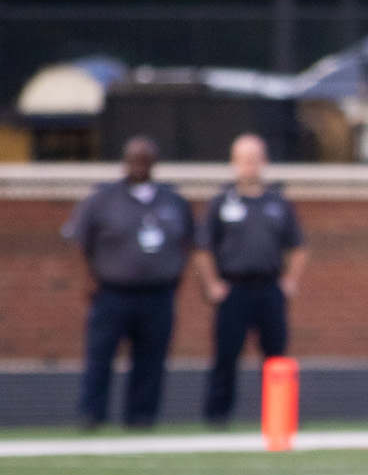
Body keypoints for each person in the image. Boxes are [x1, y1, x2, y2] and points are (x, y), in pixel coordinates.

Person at [62, 136, 195, 430]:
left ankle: (142, 416)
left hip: (158, 293)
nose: (139, 165)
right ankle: (92, 414)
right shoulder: (101, 199)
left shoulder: (173, 200)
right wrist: (87, 280)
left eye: (145, 160)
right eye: (134, 159)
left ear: (154, 163)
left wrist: (175, 275)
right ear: (125, 161)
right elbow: (79, 242)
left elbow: (188, 243)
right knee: (100, 354)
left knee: (151, 358)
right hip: (112, 292)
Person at [193, 134, 306, 427]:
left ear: (264, 161)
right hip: (234, 287)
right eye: (244, 160)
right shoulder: (220, 201)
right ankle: (217, 416)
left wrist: (290, 281)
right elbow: (203, 248)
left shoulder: (278, 202)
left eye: (254, 159)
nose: (249, 165)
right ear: (234, 163)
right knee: (226, 354)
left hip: (269, 287)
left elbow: (297, 247)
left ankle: (280, 416)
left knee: (276, 355)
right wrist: (212, 284)